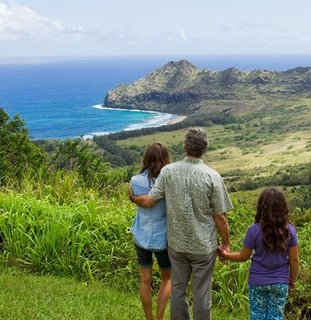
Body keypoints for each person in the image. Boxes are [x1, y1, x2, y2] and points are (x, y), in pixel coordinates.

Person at [129, 127, 233, 320]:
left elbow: (150, 200)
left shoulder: (168, 171)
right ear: (205, 149)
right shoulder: (212, 176)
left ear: (185, 147)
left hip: (176, 244)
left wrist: (134, 198)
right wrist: (226, 244)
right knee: (202, 293)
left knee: (178, 290)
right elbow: (220, 217)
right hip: (203, 246)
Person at [218, 187, 299, 320]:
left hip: (257, 282)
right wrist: (292, 280)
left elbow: (243, 257)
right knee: (275, 317)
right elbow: (294, 260)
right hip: (280, 281)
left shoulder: (253, 230)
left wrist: (225, 255)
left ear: (261, 207)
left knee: (257, 316)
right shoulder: (290, 230)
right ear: (283, 207)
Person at [130, 142, 171, 320]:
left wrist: (133, 198)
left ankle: (149, 318)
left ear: (146, 158)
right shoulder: (169, 181)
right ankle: (160, 318)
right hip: (163, 238)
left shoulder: (135, 181)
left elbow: (141, 200)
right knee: (167, 279)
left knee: (145, 280)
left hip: (141, 235)